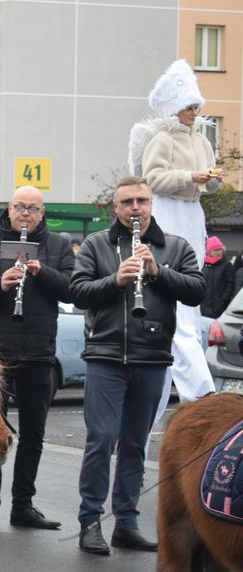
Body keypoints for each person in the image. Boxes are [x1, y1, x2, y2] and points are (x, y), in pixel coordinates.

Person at [70, 177, 204, 555]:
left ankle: (126, 522)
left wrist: (158, 272)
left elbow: (197, 290)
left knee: (135, 444)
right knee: (100, 441)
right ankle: (90, 522)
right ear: (116, 208)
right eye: (127, 201)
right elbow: (77, 292)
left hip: (152, 356)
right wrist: (115, 280)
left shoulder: (174, 247)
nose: (135, 208)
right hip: (105, 356)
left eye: (141, 201)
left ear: (151, 205)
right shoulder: (98, 244)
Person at [0, 185, 75, 531]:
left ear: (42, 214)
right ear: (9, 209)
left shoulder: (56, 246)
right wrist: (1, 284)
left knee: (34, 434)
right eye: (19, 207)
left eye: (33, 209)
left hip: (39, 353)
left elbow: (73, 288)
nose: (25, 214)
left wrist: (43, 273)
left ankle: (23, 504)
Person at [139, 59, 218, 417]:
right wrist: (191, 176)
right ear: (175, 106)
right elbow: (152, 178)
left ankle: (165, 405)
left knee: (188, 295)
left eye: (196, 106)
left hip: (192, 214)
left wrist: (211, 179)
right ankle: (202, 396)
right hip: (169, 212)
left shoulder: (202, 139)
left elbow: (211, 185)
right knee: (180, 307)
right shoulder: (162, 139)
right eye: (188, 106)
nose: (194, 112)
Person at [201, 236, 234, 319]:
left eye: (219, 249)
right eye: (215, 250)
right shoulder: (203, 265)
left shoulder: (227, 265)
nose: (218, 252)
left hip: (219, 309)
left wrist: (222, 301)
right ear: (209, 251)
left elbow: (230, 286)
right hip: (203, 309)